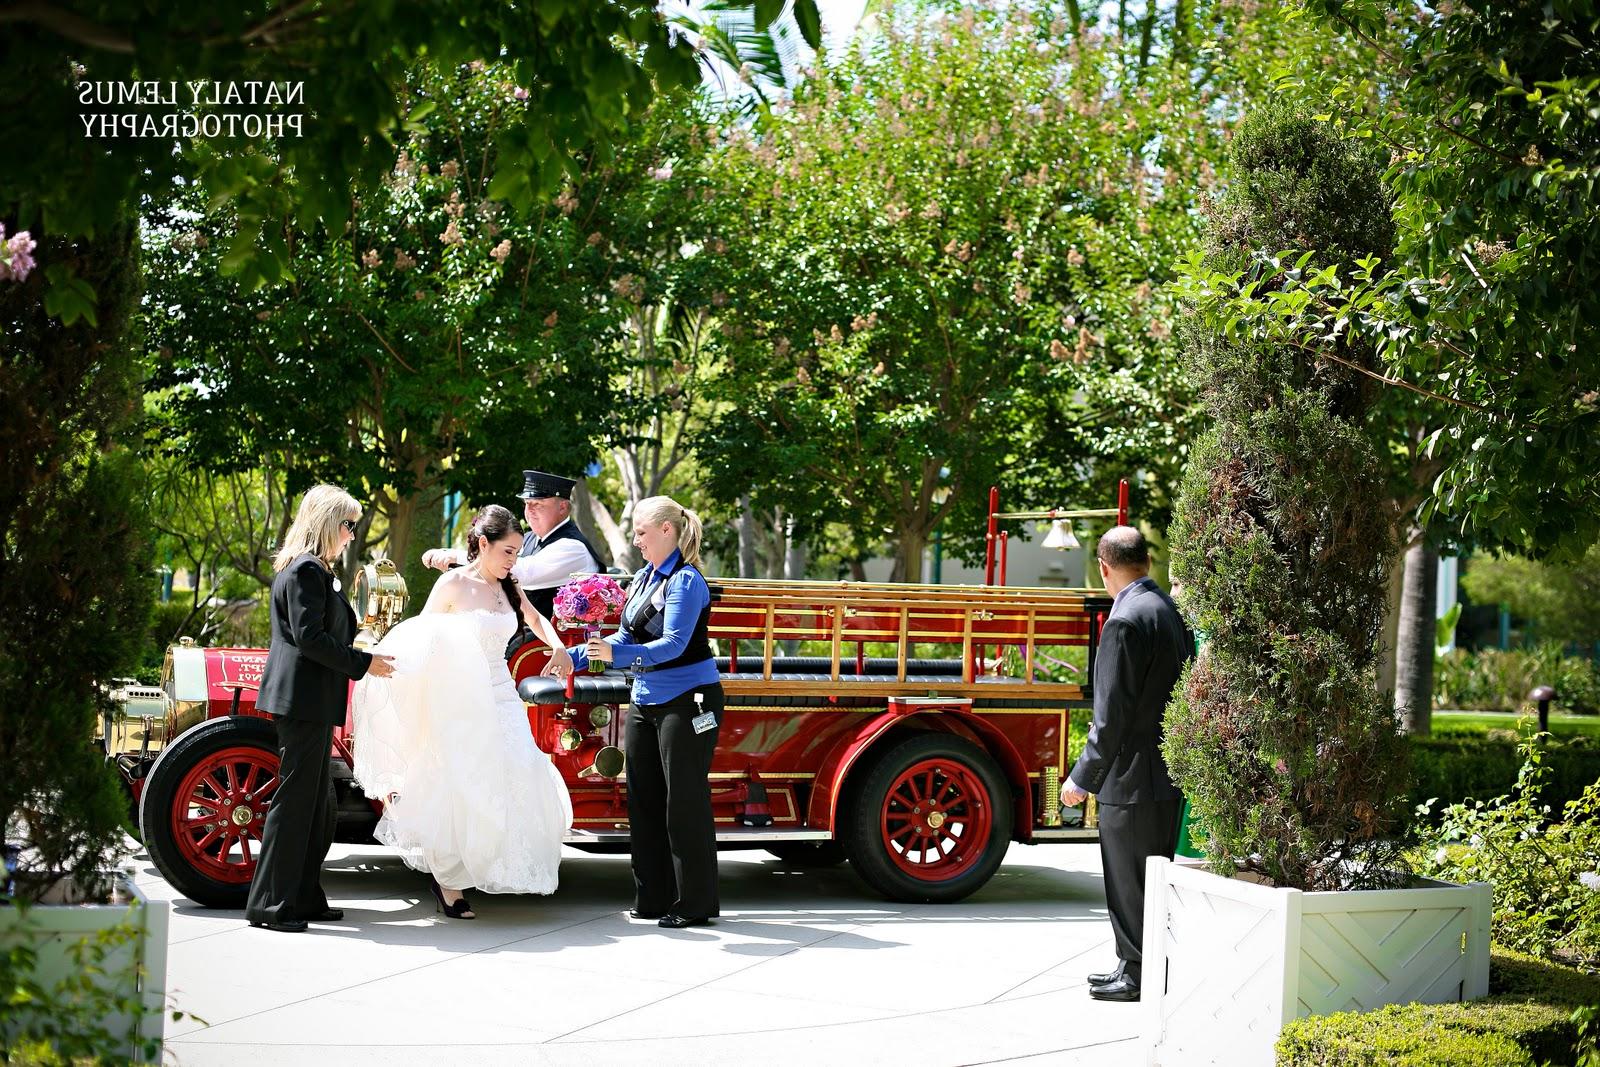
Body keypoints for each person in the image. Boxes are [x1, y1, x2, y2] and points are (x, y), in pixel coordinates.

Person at [352, 505, 576, 918]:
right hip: (460, 696)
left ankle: (494, 861)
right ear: (484, 544)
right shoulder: (452, 584)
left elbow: (533, 616)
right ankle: (449, 884)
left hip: (502, 692)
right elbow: (421, 639)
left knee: (518, 770)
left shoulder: (510, 583)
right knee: (461, 779)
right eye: (508, 551)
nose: (514, 560)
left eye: (518, 551)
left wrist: (558, 645)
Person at [246, 485, 396, 934]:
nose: (352, 535)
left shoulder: (314, 571)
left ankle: (304, 896)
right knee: (294, 805)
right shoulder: (306, 572)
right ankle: (271, 905)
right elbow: (310, 639)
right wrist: (364, 663)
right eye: (349, 525)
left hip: (311, 700)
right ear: (329, 523)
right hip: (302, 700)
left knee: (316, 808)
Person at [570, 495, 722, 929]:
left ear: (666, 531)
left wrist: (616, 655)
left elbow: (673, 644)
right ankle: (653, 898)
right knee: (643, 801)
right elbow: (621, 635)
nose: (636, 540)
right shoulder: (643, 577)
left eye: (640, 532)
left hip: (688, 700)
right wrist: (574, 656)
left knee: (684, 803)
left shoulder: (687, 581)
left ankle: (694, 903)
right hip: (646, 699)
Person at [1060, 526, 1193, 1002]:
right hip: (1166, 773)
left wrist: (1082, 777)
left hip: (1131, 777)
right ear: (1148, 563)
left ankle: (1136, 974)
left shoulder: (1123, 621)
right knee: (1152, 878)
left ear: (1104, 568)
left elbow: (1110, 715)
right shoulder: (1167, 611)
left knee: (1129, 880)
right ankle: (1133, 963)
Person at [422, 470, 604, 620]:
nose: (529, 510)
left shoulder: (573, 547)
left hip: (543, 642)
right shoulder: (531, 538)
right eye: (527, 503)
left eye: (538, 504)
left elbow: (522, 573)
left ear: (563, 507)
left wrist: (456, 556)